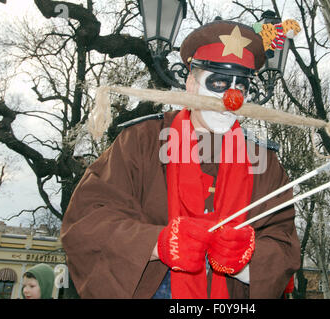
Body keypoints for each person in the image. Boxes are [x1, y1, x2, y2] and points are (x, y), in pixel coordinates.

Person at [61, 19, 300, 299]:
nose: (232, 98)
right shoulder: (141, 141)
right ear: (190, 83)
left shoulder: (265, 163)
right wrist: (157, 244)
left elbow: (284, 244)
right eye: (219, 81)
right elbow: (87, 221)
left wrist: (246, 261)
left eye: (242, 86)